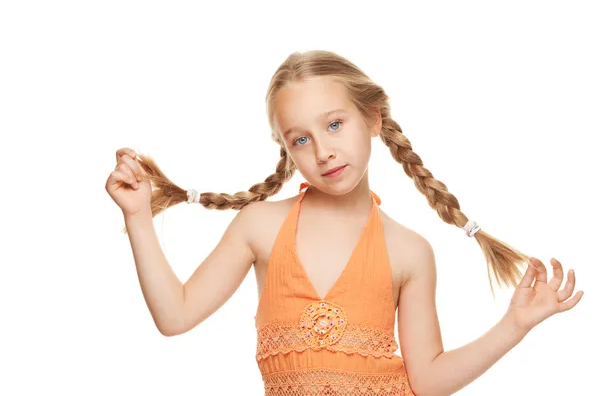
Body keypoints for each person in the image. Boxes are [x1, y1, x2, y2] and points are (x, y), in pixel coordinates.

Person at [105, 50, 584, 395]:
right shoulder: (261, 227)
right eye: (301, 139)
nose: (323, 150)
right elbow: (175, 315)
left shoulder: (408, 251)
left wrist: (514, 325)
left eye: (335, 125)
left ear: (372, 118)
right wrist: (139, 219)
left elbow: (430, 380)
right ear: (288, 151)